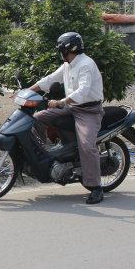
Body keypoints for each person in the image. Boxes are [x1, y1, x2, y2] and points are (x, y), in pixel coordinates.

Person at [29, 32, 105, 205]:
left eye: (61, 49)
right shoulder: (68, 64)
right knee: (37, 118)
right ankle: (43, 155)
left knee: (86, 145)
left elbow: (83, 91)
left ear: (68, 49)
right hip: (71, 107)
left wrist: (61, 102)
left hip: (89, 111)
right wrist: (27, 90)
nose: (60, 52)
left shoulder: (86, 64)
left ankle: (96, 187)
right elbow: (49, 79)